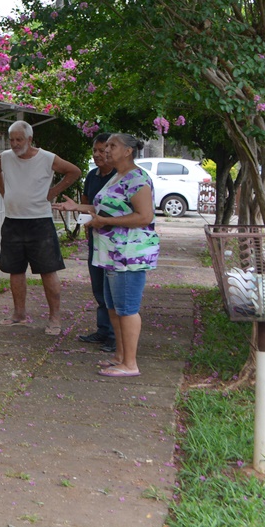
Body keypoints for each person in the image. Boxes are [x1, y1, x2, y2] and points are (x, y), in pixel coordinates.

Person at [54, 133, 159, 378]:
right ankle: (120, 357)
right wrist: (78, 208)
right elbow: (104, 208)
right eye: (106, 146)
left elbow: (145, 216)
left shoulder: (137, 178)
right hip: (111, 253)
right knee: (113, 307)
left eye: (112, 146)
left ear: (128, 151)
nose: (107, 150)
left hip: (129, 254)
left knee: (127, 308)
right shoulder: (117, 177)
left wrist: (104, 221)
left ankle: (130, 364)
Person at [0, 120, 82, 335]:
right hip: (13, 221)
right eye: (11, 139)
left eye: (18, 139)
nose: (14, 144)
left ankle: (55, 318)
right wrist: (5, 193)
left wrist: (54, 191)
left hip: (40, 222)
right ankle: (19, 314)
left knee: (48, 271)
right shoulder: (4, 157)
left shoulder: (47, 158)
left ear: (29, 140)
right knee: (15, 270)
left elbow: (74, 171)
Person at [77, 134, 117, 353]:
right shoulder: (92, 176)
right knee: (98, 286)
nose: (98, 155)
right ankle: (103, 330)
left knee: (112, 289)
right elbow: (87, 202)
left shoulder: (119, 177)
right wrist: (86, 224)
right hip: (95, 239)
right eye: (95, 151)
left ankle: (114, 335)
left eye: (102, 150)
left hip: (115, 241)